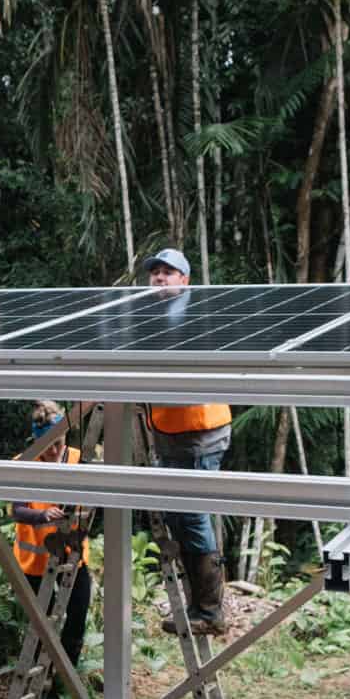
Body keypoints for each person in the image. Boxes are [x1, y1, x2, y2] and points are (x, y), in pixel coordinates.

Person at [137, 248, 231, 633]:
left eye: (168, 272)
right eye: (155, 273)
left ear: (185, 280)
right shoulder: (150, 318)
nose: (160, 278)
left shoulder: (195, 315)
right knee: (179, 514)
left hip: (199, 431)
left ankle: (209, 612)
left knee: (191, 514)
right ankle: (196, 608)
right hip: (170, 431)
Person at [10, 401, 92, 678]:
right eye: (48, 445)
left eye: (58, 443)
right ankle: (37, 674)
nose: (54, 450)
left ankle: (65, 679)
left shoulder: (78, 459)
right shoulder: (23, 463)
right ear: (37, 439)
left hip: (72, 555)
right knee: (40, 623)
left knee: (76, 618)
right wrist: (43, 515)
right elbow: (17, 510)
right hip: (35, 559)